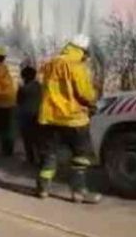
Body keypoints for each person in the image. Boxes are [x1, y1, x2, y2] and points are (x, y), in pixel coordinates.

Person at [36, 34, 101, 204]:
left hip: (49, 118)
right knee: (81, 156)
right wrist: (93, 99)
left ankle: (42, 188)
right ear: (83, 50)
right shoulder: (76, 66)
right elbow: (85, 93)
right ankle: (79, 192)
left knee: (49, 155)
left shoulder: (51, 64)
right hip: (73, 119)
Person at [16, 64, 42, 165]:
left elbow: (18, 101)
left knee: (27, 139)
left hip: (25, 116)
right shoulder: (40, 87)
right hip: (38, 115)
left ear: (23, 77)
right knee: (38, 139)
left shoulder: (23, 89)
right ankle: (42, 159)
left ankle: (30, 159)